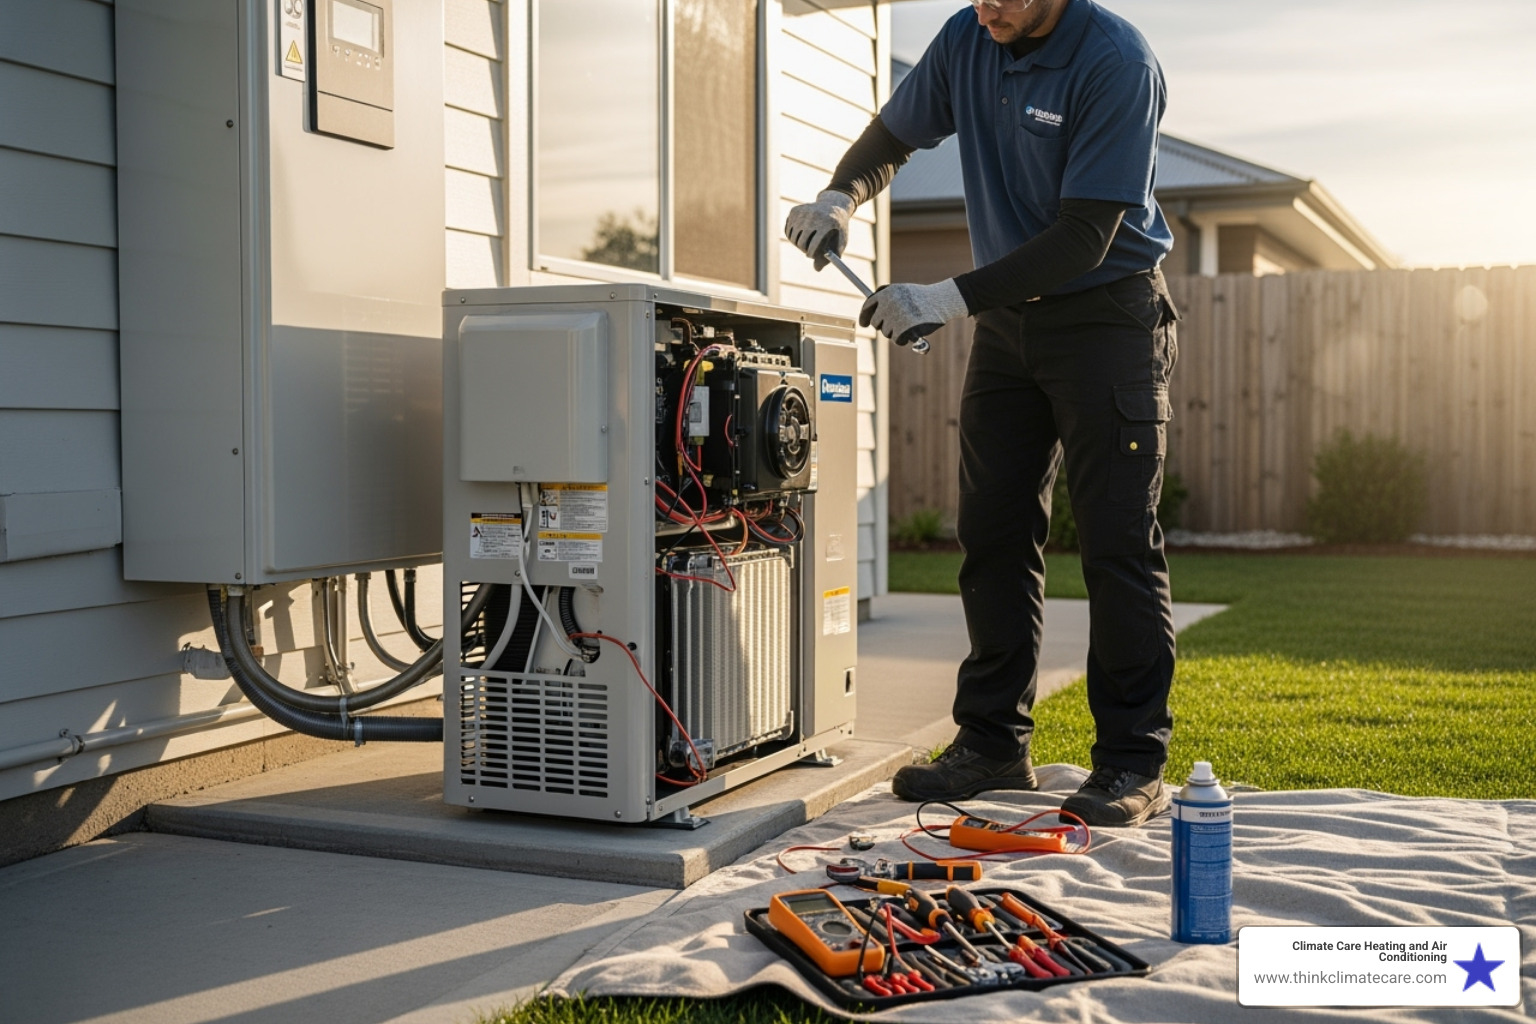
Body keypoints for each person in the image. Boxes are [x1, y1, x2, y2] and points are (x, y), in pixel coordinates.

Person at [785, 0, 1180, 827]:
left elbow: (1084, 237)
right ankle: (994, 742)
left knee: (1115, 544)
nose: (986, 7)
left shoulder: (1116, 62)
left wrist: (943, 297)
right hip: (1008, 323)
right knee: (993, 532)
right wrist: (838, 196)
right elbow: (892, 138)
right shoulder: (969, 36)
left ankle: (1131, 761)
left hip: (1109, 317)